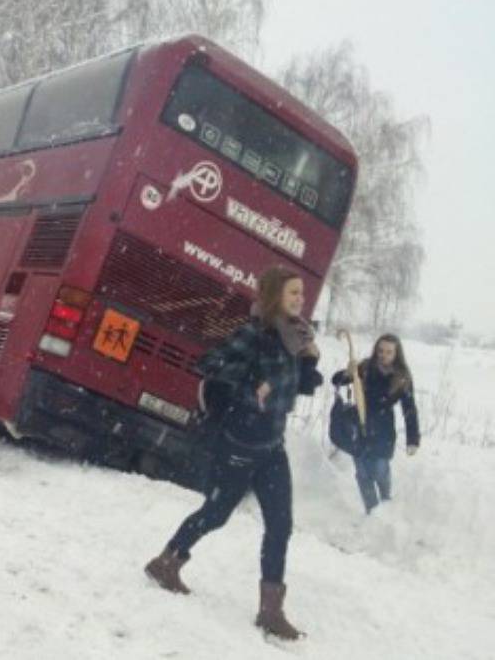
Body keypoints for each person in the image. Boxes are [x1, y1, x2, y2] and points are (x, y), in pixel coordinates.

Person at [143, 265, 323, 641]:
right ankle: (166, 562)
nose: (300, 300)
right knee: (216, 513)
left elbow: (297, 389)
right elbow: (209, 364)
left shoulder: (297, 337)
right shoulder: (254, 335)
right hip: (240, 441)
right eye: (293, 294)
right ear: (275, 296)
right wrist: (250, 384)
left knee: (280, 525)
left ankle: (270, 611)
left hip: (272, 445)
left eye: (301, 294)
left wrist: (310, 360)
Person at [332, 335, 420, 514]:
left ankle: (387, 505)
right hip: (359, 424)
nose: (383, 355)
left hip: (383, 429)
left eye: (389, 352)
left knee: (380, 469)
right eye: (380, 350)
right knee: (363, 472)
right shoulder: (365, 367)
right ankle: (372, 511)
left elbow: (409, 409)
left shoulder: (402, 377)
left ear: (396, 354)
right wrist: (347, 373)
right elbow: (337, 380)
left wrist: (413, 439)